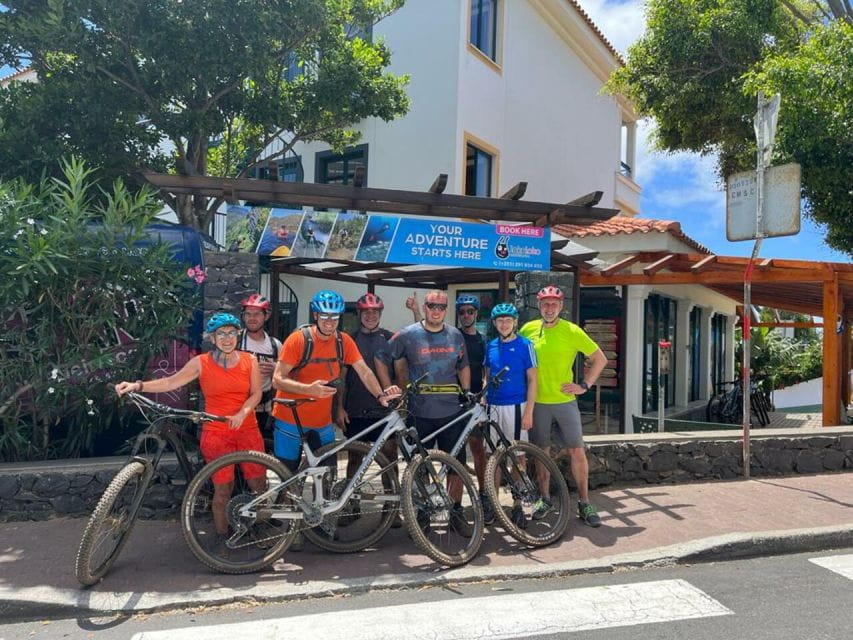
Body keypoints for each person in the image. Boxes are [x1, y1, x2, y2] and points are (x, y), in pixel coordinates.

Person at [115, 312, 266, 545]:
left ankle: (260, 528)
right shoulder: (201, 362)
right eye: (221, 334)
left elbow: (256, 393)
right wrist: (138, 385)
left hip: (247, 429)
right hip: (216, 432)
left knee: (258, 482)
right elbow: (171, 381)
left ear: (239, 334)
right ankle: (223, 538)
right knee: (223, 488)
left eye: (232, 333)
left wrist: (242, 412)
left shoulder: (250, 360)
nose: (227, 338)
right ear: (212, 338)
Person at [271, 290, 400, 548]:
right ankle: (283, 527)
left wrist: (380, 395)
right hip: (290, 418)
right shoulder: (298, 340)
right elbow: (277, 379)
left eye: (335, 317)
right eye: (325, 316)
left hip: (321, 422)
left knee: (327, 474)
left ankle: (320, 525)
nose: (330, 322)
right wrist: (309, 389)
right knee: (290, 475)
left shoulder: (343, 342)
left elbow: (363, 370)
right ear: (316, 315)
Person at [376, 289, 471, 531]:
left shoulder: (455, 335)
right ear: (426, 308)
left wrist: (467, 393)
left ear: (446, 309)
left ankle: (456, 512)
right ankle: (424, 512)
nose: (436, 310)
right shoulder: (408, 335)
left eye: (441, 307)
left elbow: (464, 365)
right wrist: (388, 389)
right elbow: (380, 357)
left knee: (455, 465)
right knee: (419, 465)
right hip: (419, 412)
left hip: (451, 411)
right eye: (431, 306)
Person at [519, 285, 607, 527]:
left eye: (554, 304)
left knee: (577, 450)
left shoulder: (572, 330)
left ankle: (585, 501)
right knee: (541, 453)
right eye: (545, 303)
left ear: (561, 307)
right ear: (539, 306)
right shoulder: (528, 329)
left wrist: (585, 385)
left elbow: (600, 359)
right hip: (537, 403)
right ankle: (545, 498)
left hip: (565, 401)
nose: (549, 308)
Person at [483, 303, 537, 529]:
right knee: (493, 457)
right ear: (495, 324)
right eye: (499, 321)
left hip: (516, 405)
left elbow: (533, 380)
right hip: (493, 406)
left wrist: (529, 412)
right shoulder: (491, 346)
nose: (504, 324)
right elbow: (486, 377)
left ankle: (519, 501)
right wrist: (483, 398)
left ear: (515, 322)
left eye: (508, 320)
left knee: (518, 456)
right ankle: (493, 503)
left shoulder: (526, 345)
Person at [335, 292, 398, 478]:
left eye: (374, 312)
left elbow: (400, 372)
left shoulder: (391, 338)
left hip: (384, 410)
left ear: (380, 314)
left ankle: (392, 501)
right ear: (359, 315)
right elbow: (341, 378)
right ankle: (351, 501)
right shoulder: (349, 340)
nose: (370, 316)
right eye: (366, 312)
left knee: (390, 458)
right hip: (355, 409)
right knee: (355, 459)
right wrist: (339, 408)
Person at [454, 293, 494, 525]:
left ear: (476, 313)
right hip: (453, 402)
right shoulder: (451, 336)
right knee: (455, 453)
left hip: (476, 401)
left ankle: (483, 495)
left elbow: (486, 373)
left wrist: (483, 398)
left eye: (470, 311)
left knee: (478, 450)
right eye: (462, 312)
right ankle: (456, 502)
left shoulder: (483, 341)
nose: (466, 315)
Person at [237, 294, 282, 446]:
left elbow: (286, 377)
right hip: (238, 408)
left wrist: (276, 369)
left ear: (266, 316)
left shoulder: (275, 345)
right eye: (248, 314)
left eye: (257, 314)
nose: (252, 318)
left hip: (264, 411)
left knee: (260, 455)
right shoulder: (234, 341)